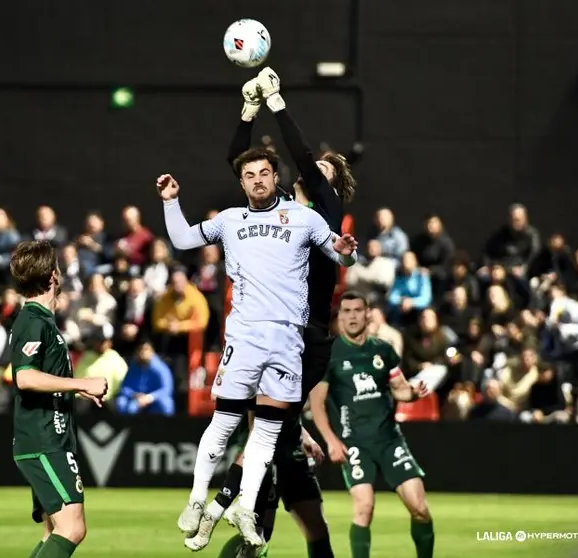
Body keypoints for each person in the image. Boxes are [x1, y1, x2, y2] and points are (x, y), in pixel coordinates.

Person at [158, 146, 358, 548]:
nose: (258, 180)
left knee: (266, 434)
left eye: (264, 173)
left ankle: (246, 509)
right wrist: (172, 201)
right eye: (250, 175)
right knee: (226, 423)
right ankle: (197, 500)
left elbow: (340, 253)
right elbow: (182, 238)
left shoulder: (305, 219)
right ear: (242, 182)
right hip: (246, 336)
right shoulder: (230, 221)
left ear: (275, 176)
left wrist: (346, 253)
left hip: (288, 340)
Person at [204, 66, 358, 558]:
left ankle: (225, 501)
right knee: (271, 433)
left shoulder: (325, 212)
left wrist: (278, 103)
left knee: (266, 430)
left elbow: (306, 162)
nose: (314, 175)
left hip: (306, 333)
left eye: (325, 174)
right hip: (265, 331)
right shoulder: (280, 213)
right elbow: (239, 161)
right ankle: (258, 506)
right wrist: (247, 113)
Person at [310, 291, 435, 558]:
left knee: (420, 509)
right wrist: (331, 440)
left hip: (389, 440)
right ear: (340, 317)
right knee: (364, 507)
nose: (352, 316)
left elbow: (399, 388)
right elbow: (317, 403)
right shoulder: (330, 354)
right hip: (354, 444)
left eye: (358, 310)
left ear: (368, 315)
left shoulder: (383, 350)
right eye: (347, 311)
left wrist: (413, 392)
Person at [8, 240, 108, 558]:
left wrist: (71, 388)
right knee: (72, 528)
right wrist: (83, 382)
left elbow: (41, 374)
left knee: (53, 529)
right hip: (44, 439)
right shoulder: (33, 322)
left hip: (51, 437)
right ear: (54, 275)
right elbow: (24, 376)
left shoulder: (42, 321)